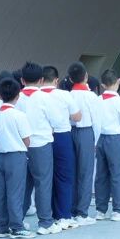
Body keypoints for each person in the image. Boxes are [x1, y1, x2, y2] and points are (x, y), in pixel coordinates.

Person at [0, 77, 35, 239]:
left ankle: (2, 227)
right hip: (16, 156)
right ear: (18, 95)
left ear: (0, 96)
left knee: (0, 193)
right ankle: (16, 226)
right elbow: (27, 140)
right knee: (15, 193)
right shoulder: (19, 115)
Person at [17, 62, 58, 234]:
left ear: (22, 80)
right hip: (41, 145)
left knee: (22, 185)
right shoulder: (45, 98)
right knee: (43, 184)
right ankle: (45, 222)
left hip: (20, 147)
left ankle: (17, 221)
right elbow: (56, 121)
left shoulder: (16, 97)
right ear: (41, 80)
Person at [40, 65, 82, 228]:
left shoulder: (34, 96)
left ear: (41, 80)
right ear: (56, 80)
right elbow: (77, 117)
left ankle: (47, 214)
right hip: (62, 136)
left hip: (41, 138)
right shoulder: (64, 95)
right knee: (64, 176)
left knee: (45, 178)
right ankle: (63, 215)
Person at [92, 70, 120, 220]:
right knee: (118, 174)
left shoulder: (97, 100)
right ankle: (118, 210)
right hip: (115, 138)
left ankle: (100, 210)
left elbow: (95, 123)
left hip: (100, 138)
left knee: (101, 175)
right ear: (119, 81)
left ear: (102, 85)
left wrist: (95, 141)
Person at [66, 62, 98, 227]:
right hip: (86, 132)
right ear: (86, 76)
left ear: (70, 79)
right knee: (85, 173)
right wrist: (95, 141)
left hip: (70, 132)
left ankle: (71, 210)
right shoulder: (92, 97)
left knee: (72, 172)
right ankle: (82, 213)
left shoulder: (68, 95)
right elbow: (97, 121)